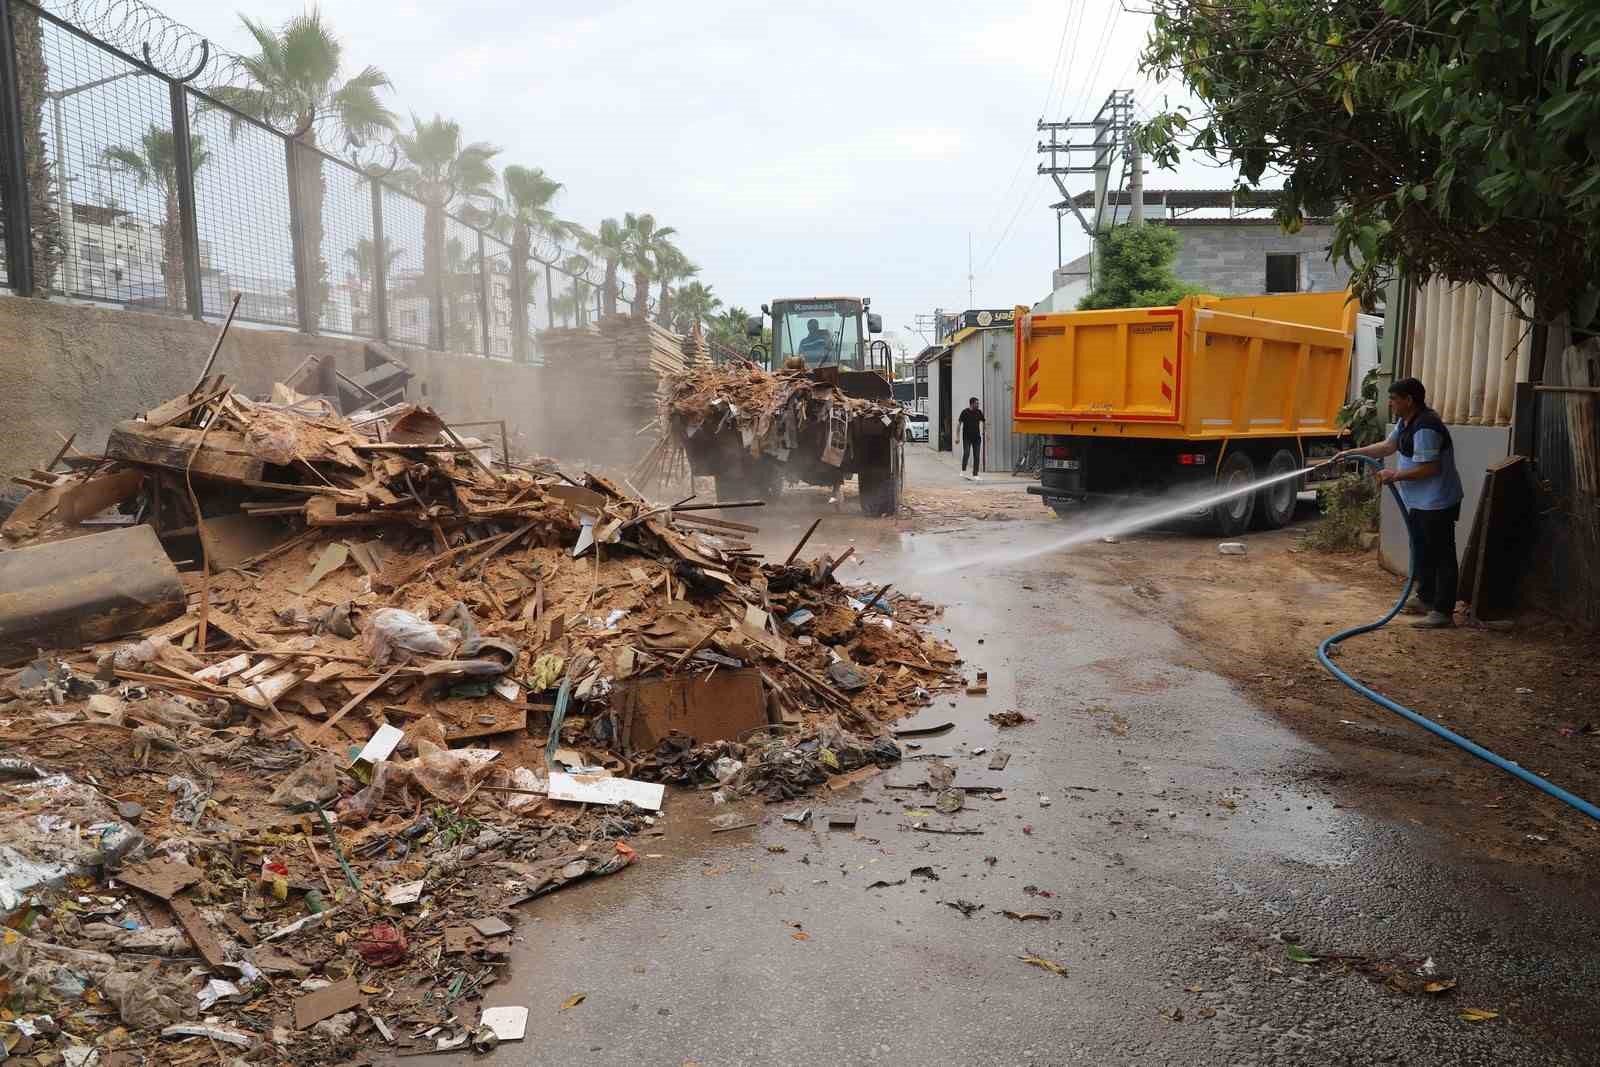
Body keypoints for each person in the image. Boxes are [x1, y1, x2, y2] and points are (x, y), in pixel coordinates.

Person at [1336, 377, 1465, 628]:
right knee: (1423, 550)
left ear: (1409, 400)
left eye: (1394, 399)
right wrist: (1352, 453)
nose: (1391, 404)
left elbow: (1430, 468)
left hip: (1437, 502)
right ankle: (1426, 598)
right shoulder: (1406, 422)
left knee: (1441, 554)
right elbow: (1387, 447)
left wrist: (1395, 475)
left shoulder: (1426, 426)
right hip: (1419, 501)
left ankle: (1443, 611)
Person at [957, 396, 985, 478]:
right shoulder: (965, 412)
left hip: (977, 438)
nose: (978, 404)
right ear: (972, 404)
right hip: (967, 438)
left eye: (978, 403)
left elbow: (984, 422)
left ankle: (975, 474)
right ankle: (963, 470)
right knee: (966, 453)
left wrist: (985, 433)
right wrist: (957, 437)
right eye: (977, 403)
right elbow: (959, 424)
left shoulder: (979, 412)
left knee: (977, 456)